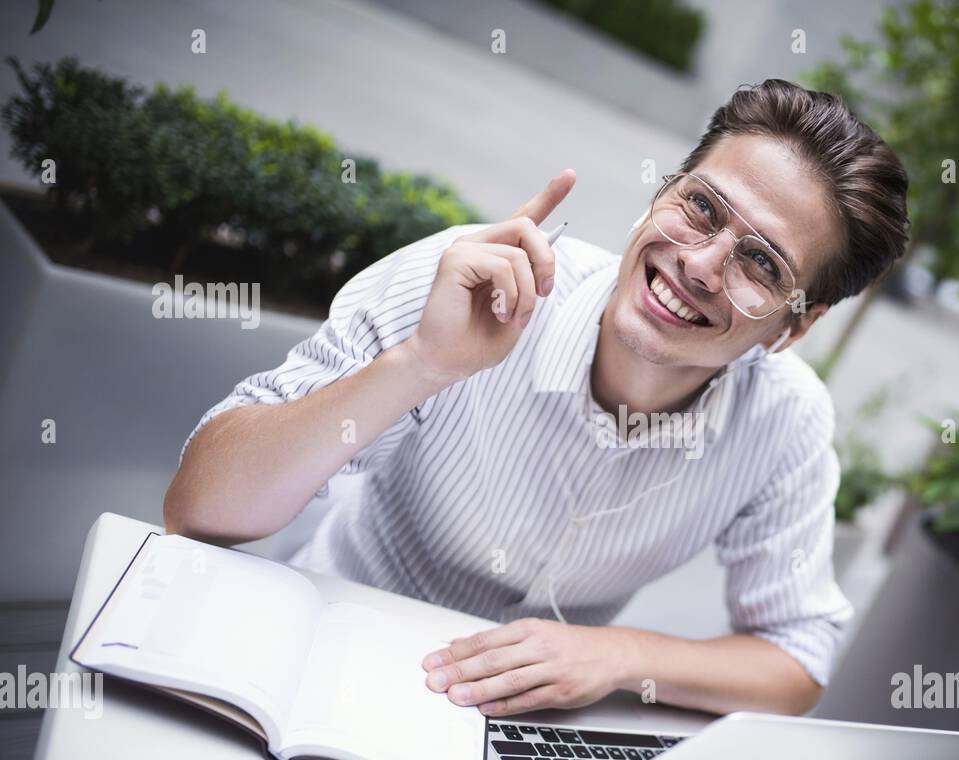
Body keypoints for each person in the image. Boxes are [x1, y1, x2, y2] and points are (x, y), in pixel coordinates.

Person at [164, 78, 910, 718]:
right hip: (327, 646)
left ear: (793, 327)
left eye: (760, 262)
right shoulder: (469, 283)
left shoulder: (785, 420)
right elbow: (199, 508)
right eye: (703, 208)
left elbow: (799, 659)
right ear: (661, 195)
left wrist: (620, 655)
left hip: (530, 726)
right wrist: (423, 362)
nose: (701, 264)